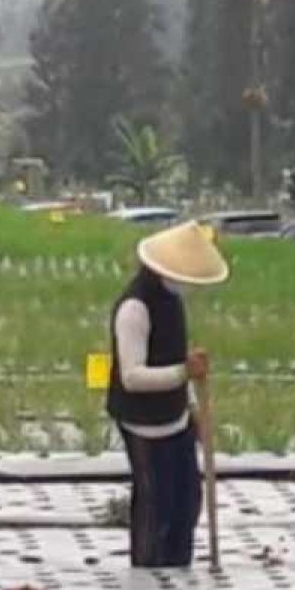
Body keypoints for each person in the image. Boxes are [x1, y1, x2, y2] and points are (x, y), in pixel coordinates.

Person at [106, 221, 230, 568]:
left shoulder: (173, 302)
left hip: (175, 416)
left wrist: (193, 408)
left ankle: (179, 567)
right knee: (154, 504)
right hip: (142, 421)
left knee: (187, 501)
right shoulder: (135, 308)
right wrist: (183, 373)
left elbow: (176, 356)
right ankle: (148, 571)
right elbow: (132, 376)